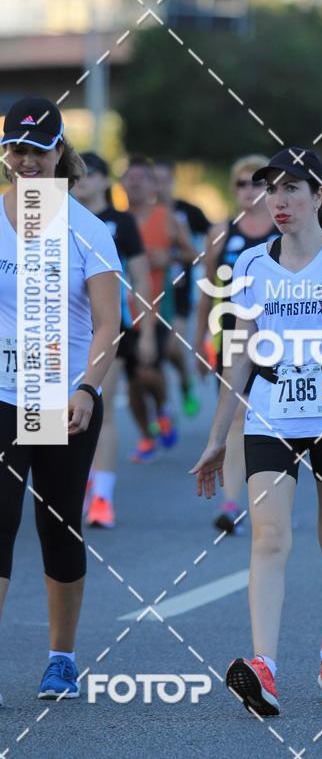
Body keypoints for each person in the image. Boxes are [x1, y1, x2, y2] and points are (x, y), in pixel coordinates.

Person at [191, 148, 322, 716]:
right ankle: (264, 670)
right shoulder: (250, 265)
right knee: (269, 538)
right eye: (270, 189)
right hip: (271, 413)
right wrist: (217, 435)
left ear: (319, 196)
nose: (279, 199)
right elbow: (241, 353)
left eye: (292, 188)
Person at [0, 97, 121, 703]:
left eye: (37, 149)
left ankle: (61, 657)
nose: (26, 161)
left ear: (58, 154)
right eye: (15, 149)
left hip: (58, 395)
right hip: (1, 392)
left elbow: (108, 323)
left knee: (57, 523)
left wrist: (86, 388)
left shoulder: (86, 228)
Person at [194, 155, 278, 535]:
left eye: (256, 183)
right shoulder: (221, 232)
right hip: (232, 335)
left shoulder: (283, 230)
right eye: (241, 183)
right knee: (237, 420)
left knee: (275, 423)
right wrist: (198, 337)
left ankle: (277, 497)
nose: (249, 190)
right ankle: (231, 505)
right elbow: (207, 289)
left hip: (278, 338)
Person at [74, 151, 155, 528]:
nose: (83, 180)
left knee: (97, 414)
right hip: (57, 335)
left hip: (107, 329)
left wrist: (144, 326)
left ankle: (102, 497)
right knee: (47, 417)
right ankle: (68, 487)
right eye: (77, 174)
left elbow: (140, 277)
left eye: (91, 174)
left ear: (106, 181)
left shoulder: (119, 224)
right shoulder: (57, 219)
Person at [121, 155, 196, 462]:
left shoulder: (167, 217)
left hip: (158, 307)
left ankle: (164, 408)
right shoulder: (116, 220)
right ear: (123, 183)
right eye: (131, 177)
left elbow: (193, 254)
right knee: (134, 383)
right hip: (122, 311)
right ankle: (147, 436)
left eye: (143, 178)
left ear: (153, 184)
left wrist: (171, 259)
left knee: (149, 370)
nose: (136, 183)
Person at [154, 160, 210, 417]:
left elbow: (209, 243)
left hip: (179, 292)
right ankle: (162, 407)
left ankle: (186, 383)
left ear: (172, 181)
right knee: (152, 359)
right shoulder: (143, 213)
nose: (159, 185)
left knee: (171, 348)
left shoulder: (187, 212)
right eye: (154, 180)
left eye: (164, 179)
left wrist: (174, 256)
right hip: (149, 293)